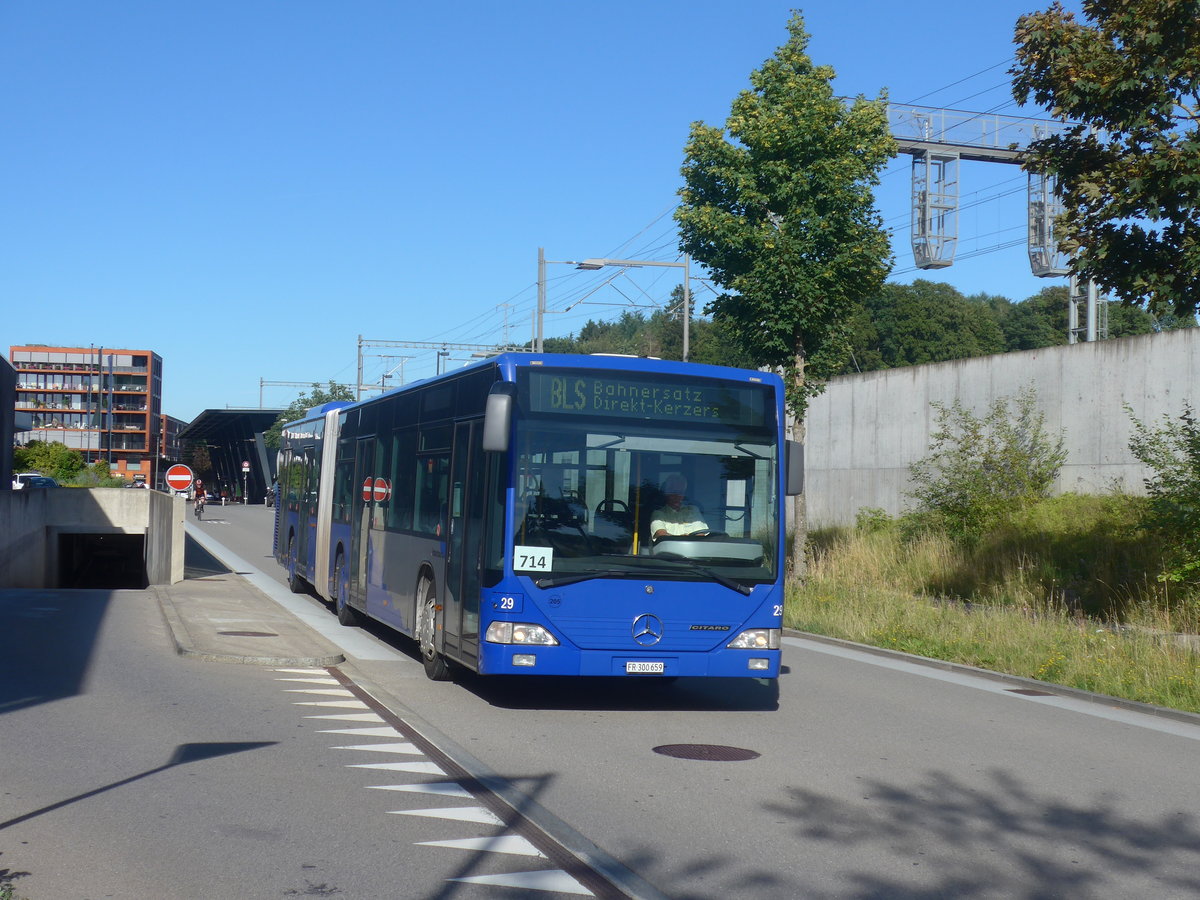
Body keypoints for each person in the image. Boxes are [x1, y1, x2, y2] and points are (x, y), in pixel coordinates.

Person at [650, 474, 708, 539]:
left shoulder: (693, 510)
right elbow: (661, 535)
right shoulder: (658, 514)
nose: (677, 496)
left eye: (680, 492)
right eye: (673, 492)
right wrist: (683, 539)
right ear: (666, 493)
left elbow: (701, 535)